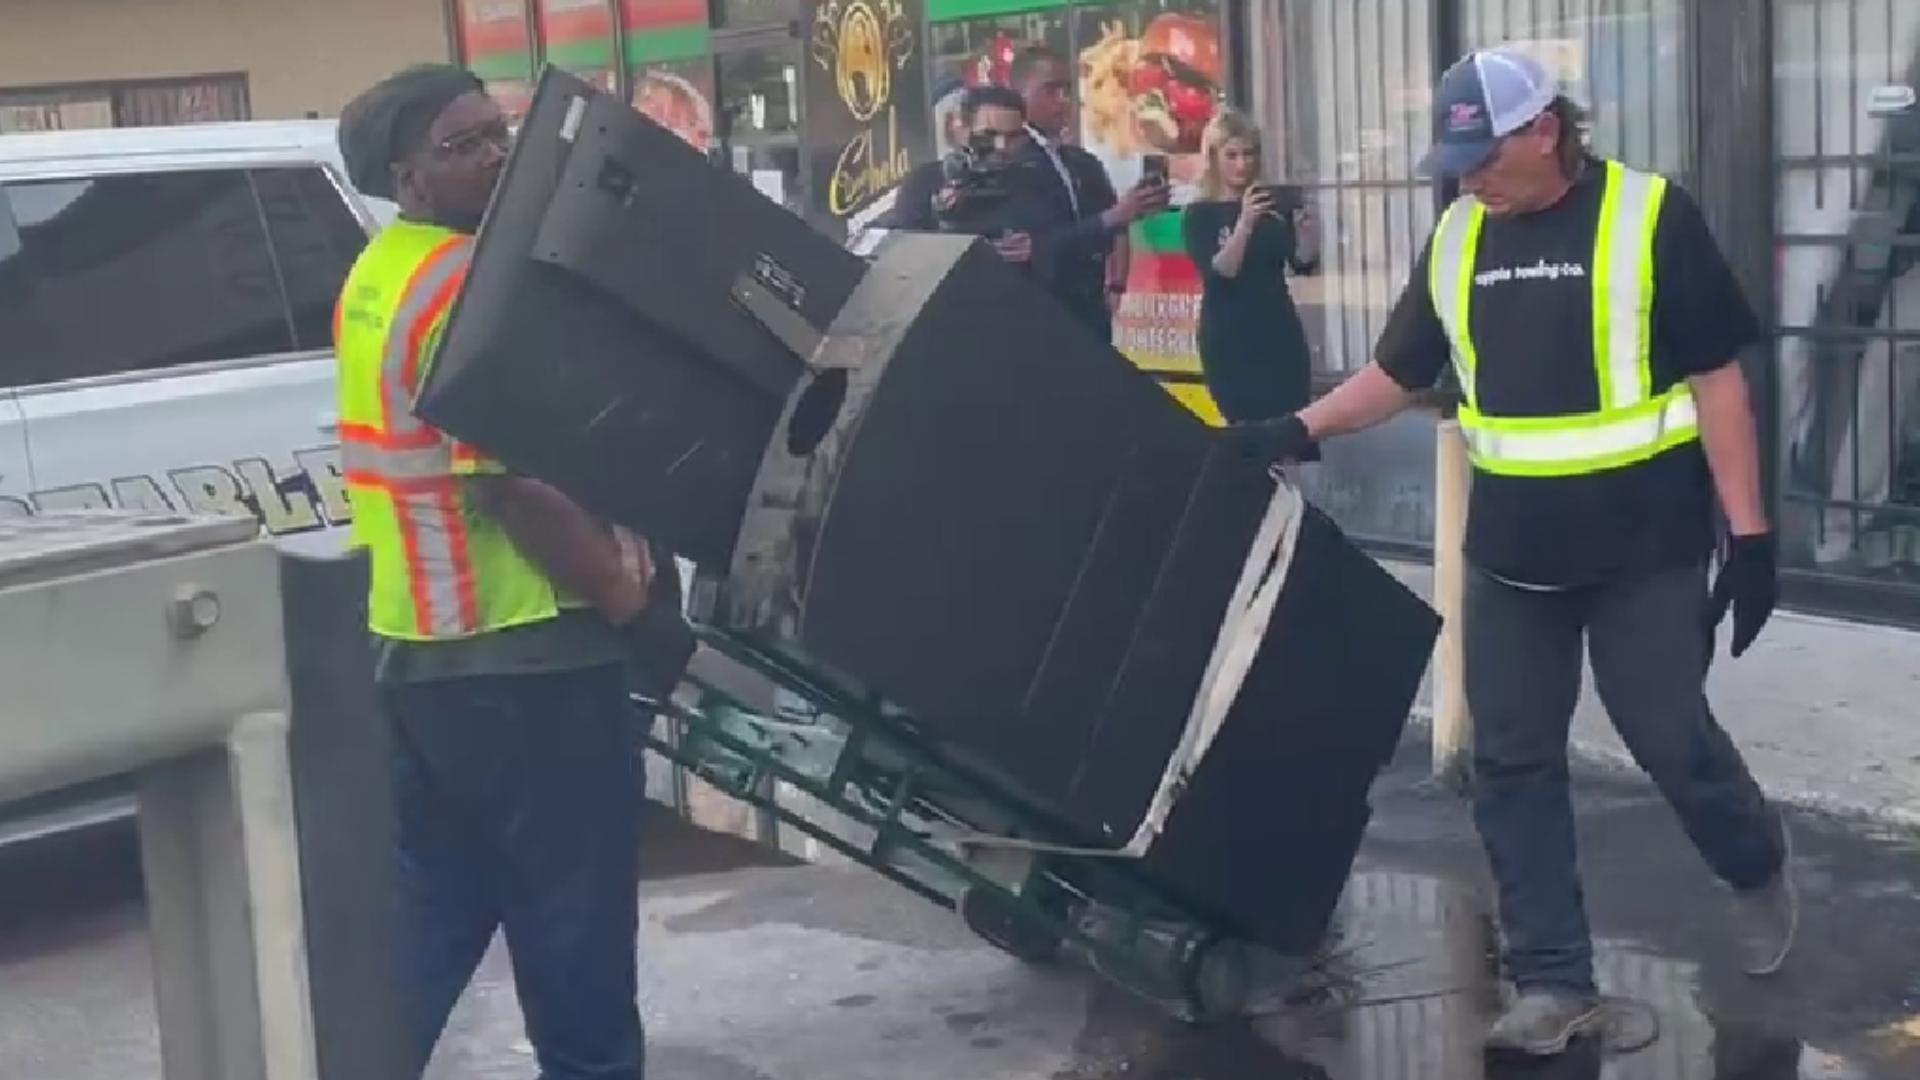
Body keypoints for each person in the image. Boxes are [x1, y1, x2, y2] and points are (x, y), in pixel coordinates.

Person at [1229, 47, 1796, 1056]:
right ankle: (1552, 979)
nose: (1468, 178)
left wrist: (1749, 536)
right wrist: (1292, 428)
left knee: (1670, 738)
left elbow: (1717, 379)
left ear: (1546, 131)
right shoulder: (1457, 237)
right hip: (1511, 554)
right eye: (1455, 162)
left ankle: (1752, 860)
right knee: (1512, 763)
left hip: (1647, 546)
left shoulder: (1650, 215)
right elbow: (1398, 373)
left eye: (1483, 156)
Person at [334, 64, 692, 1080]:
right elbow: (510, 486)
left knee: (438, 903)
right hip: (523, 651)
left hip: (416, 647)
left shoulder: (379, 275)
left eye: (501, 133)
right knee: (573, 921)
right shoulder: (463, 289)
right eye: (465, 146)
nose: (498, 156)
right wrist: (633, 608)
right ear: (407, 178)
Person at [1181, 109, 1320, 422]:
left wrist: (1307, 233)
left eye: (1249, 154)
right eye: (1232, 155)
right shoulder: (1200, 214)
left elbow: (1302, 264)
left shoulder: (1272, 207)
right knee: (1246, 430)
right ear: (1214, 157)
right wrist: (1244, 223)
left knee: (1291, 428)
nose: (1242, 164)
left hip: (1278, 329)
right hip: (1230, 335)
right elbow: (1221, 273)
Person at [1008, 44, 1150, 339]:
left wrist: (1116, 286)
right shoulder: (1015, 162)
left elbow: (1117, 226)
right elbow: (1042, 243)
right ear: (1020, 94)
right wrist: (1111, 218)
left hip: (1090, 307)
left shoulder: (1081, 162)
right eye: (1051, 90)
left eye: (1067, 90)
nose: (1063, 101)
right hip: (1042, 313)